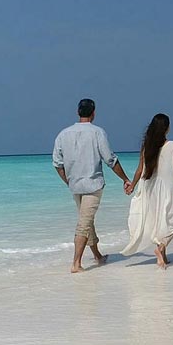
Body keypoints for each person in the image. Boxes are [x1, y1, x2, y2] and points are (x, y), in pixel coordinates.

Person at [52, 98, 132, 273]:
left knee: (86, 221)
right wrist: (125, 179)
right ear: (93, 113)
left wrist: (68, 180)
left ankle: (97, 256)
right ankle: (76, 264)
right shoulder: (97, 132)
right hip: (93, 185)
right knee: (84, 223)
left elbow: (57, 163)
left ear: (77, 112)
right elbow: (110, 159)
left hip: (75, 185)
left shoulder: (63, 134)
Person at [122, 113, 173, 269]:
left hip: (149, 187)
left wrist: (132, 185)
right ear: (167, 128)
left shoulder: (147, 146)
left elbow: (140, 169)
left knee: (157, 220)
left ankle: (163, 255)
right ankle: (160, 249)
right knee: (169, 222)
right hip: (167, 187)